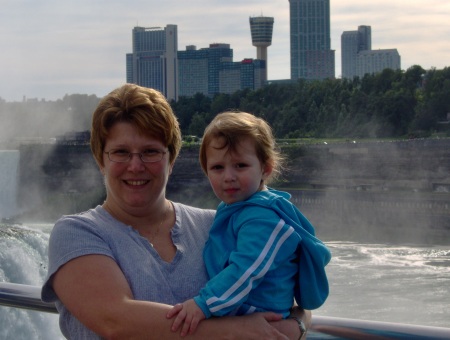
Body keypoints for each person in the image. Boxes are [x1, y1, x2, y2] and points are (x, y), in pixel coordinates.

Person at [40, 84, 311, 339]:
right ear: (101, 160)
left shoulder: (217, 224)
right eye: (120, 152)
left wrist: (298, 324)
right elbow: (116, 321)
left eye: (150, 152)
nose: (135, 166)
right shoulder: (77, 233)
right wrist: (236, 331)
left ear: (172, 159)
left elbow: (287, 290)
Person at [167, 111, 331, 337]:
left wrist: (202, 304)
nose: (228, 176)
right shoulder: (237, 209)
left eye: (240, 165)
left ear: (266, 168)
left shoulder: (264, 218)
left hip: (261, 324)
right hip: (242, 319)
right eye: (217, 168)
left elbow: (246, 271)